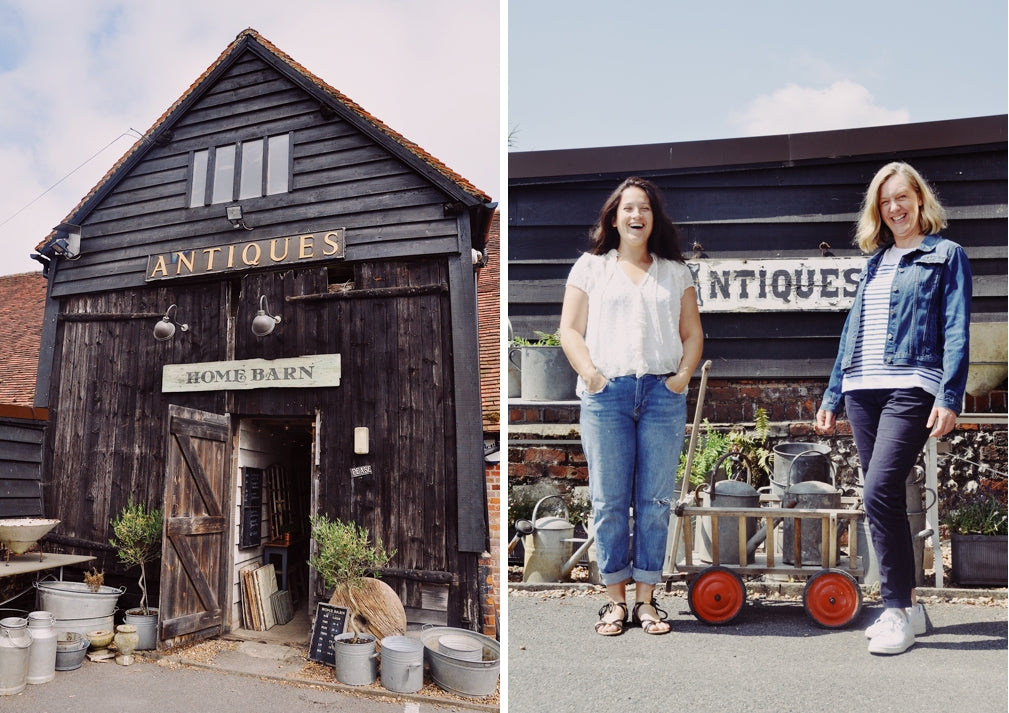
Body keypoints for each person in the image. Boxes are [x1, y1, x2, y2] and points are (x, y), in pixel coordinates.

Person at [815, 162, 971, 655]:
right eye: (885, 202)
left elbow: (955, 329)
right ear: (877, 210)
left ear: (920, 200)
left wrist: (949, 395)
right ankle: (911, 608)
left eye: (902, 197)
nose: (895, 208)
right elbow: (852, 332)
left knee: (879, 489)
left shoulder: (947, 255)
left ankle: (896, 609)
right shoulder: (876, 261)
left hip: (911, 385)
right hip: (863, 388)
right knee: (885, 499)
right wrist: (833, 394)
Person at [559, 177, 703, 636]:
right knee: (609, 501)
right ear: (614, 217)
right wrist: (593, 377)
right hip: (608, 396)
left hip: (662, 395)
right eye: (628, 208)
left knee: (656, 501)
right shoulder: (591, 268)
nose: (636, 215)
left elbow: (693, 334)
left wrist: (681, 379)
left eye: (644, 208)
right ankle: (615, 602)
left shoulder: (675, 272)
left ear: (654, 218)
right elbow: (570, 330)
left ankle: (647, 600)